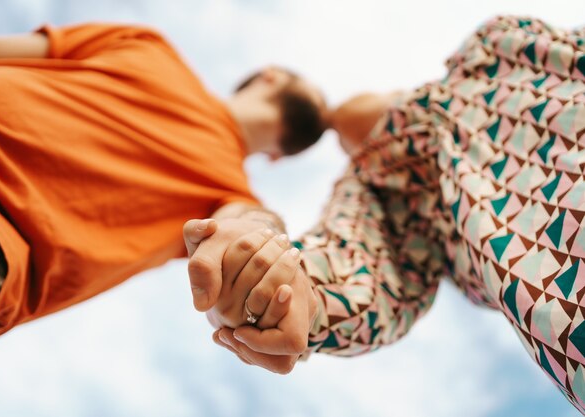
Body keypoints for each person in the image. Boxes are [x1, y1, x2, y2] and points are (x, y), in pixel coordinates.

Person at [184, 15, 585, 413]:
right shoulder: (384, 201)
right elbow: (353, 274)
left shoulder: (498, 47)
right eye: (345, 146)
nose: (339, 122)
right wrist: (282, 290)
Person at [0, 23, 328, 338]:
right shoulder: (148, 46)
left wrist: (270, 249)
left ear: (276, 159)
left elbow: (251, 225)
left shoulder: (229, 195)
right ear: (271, 74)